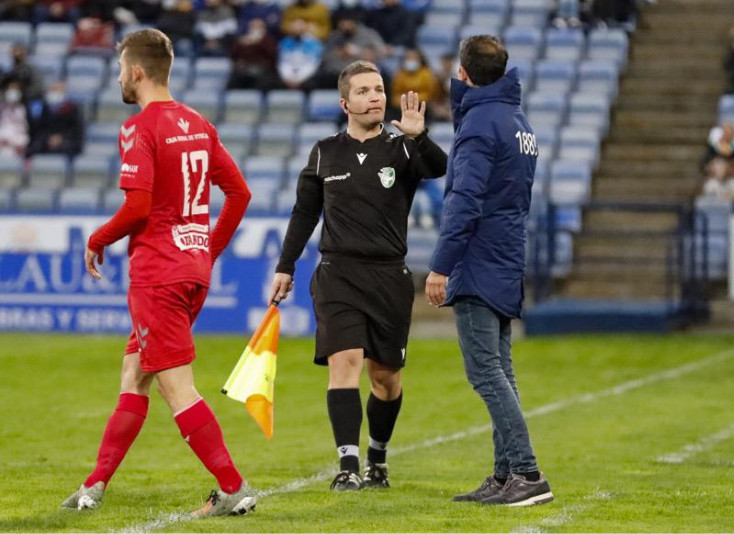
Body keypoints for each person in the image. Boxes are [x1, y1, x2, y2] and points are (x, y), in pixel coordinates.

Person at [61, 29, 256, 517]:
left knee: (175, 386)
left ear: (137, 72)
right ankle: (94, 485)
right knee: (135, 374)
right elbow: (240, 194)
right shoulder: (198, 122)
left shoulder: (140, 127)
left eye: (121, 69)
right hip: (189, 270)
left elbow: (139, 205)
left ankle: (233, 486)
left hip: (158, 274)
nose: (119, 78)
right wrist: (206, 252)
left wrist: (98, 237)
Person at [268, 60, 447, 491]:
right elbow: (305, 213)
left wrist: (418, 135)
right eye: (365, 91)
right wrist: (285, 266)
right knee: (344, 365)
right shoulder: (324, 152)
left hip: (388, 277)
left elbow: (439, 168)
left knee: (385, 378)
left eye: (380, 89)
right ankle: (347, 467)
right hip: (338, 274)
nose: (376, 97)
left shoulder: (402, 147)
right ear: (345, 102)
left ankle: (377, 459)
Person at [424, 35, 554, 507]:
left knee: (485, 372)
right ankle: (503, 477)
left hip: (479, 259)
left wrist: (440, 267)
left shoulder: (479, 124)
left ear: (463, 73)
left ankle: (526, 472)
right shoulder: (517, 120)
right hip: (506, 253)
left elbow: (465, 202)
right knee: (502, 370)